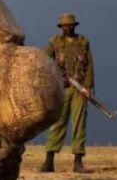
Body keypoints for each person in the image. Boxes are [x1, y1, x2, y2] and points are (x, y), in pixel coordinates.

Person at [39, 13, 94, 174]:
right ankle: (48, 162)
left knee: (79, 124)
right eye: (65, 25)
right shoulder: (54, 42)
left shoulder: (83, 42)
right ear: (61, 27)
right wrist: (57, 79)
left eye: (70, 25)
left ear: (75, 26)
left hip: (80, 88)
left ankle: (78, 162)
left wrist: (88, 86)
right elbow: (45, 63)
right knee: (57, 123)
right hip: (61, 89)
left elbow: (90, 65)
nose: (68, 28)